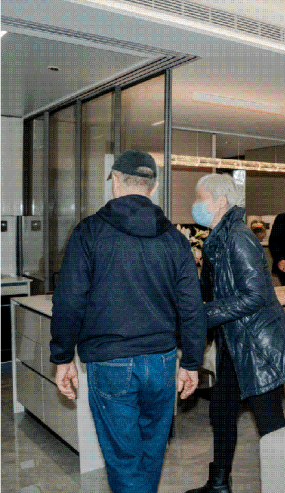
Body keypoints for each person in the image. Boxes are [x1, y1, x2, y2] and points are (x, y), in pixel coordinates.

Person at [50, 150, 206, 493]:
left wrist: (62, 356)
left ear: (115, 181)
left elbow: (69, 300)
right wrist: (192, 362)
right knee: (151, 452)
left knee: (124, 460)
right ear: (154, 187)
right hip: (162, 361)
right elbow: (192, 307)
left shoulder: (89, 232)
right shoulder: (175, 239)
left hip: (110, 362)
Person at [187, 174, 285, 493]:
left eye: (200, 198)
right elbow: (216, 289)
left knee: (270, 423)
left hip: (256, 347)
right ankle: (219, 482)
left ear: (220, 201)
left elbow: (254, 296)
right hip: (235, 343)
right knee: (222, 412)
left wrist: (204, 314)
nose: (195, 205)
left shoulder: (239, 237)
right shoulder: (218, 238)